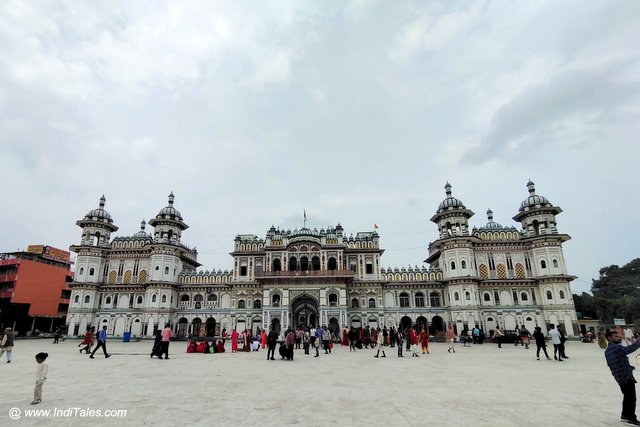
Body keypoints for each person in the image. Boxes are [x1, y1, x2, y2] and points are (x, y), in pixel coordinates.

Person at [605, 329, 640, 425]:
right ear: (609, 338)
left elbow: (614, 363)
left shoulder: (608, 350)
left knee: (627, 396)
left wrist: (628, 367)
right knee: (631, 398)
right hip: (625, 376)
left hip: (620, 377)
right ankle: (631, 418)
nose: (619, 337)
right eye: (616, 336)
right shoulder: (616, 347)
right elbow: (630, 349)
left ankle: (624, 415)